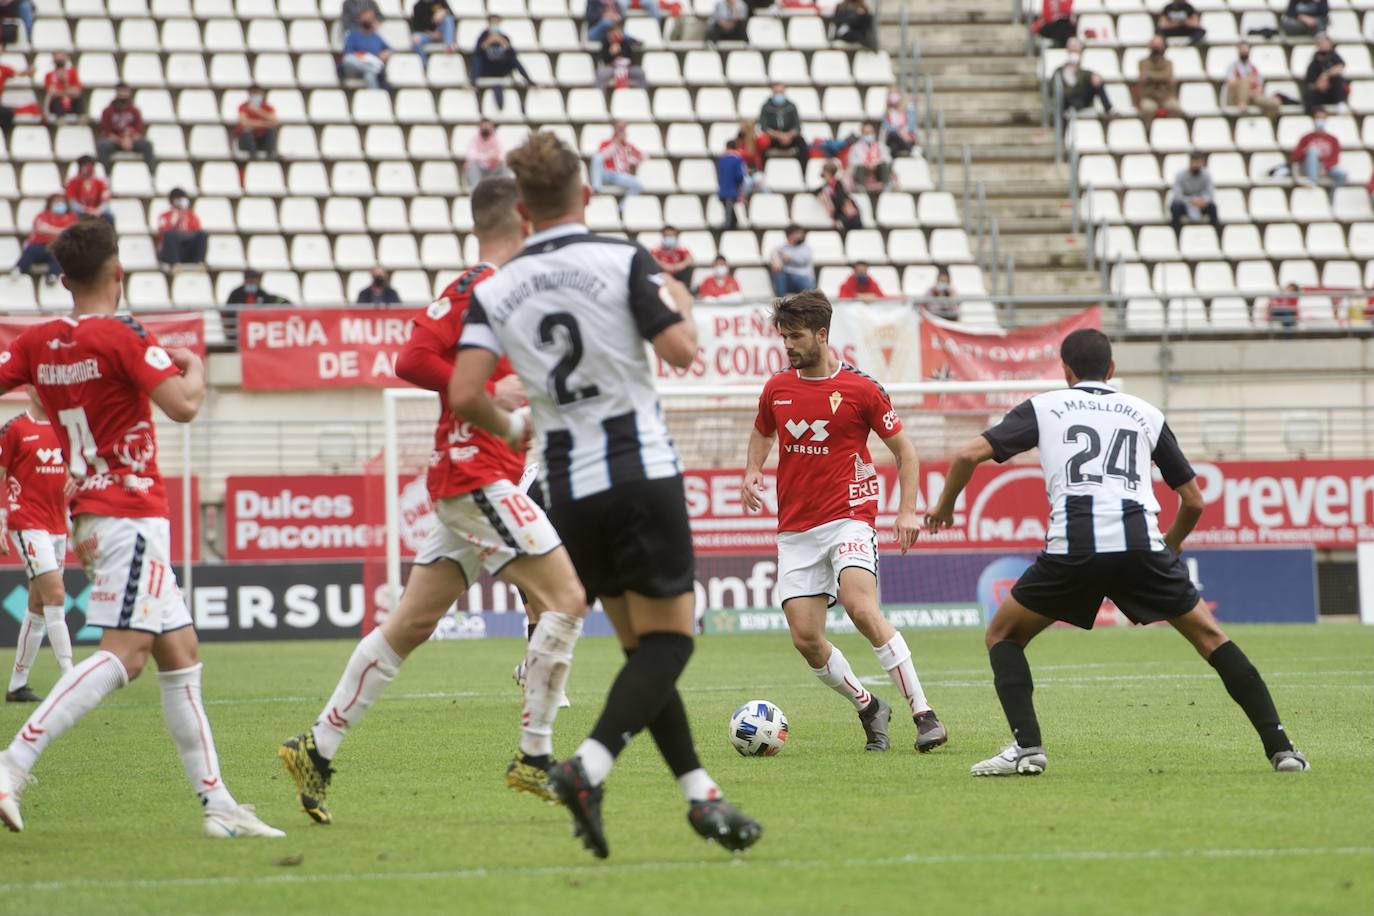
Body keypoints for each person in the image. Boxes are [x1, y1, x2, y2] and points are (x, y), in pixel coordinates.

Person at [449, 132, 762, 860]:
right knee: (672, 642)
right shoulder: (623, 259)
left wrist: (517, 422)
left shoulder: (493, 289)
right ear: (586, 195)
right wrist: (678, 297)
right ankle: (587, 768)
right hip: (637, 473)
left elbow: (465, 392)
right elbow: (682, 351)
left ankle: (700, 796)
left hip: (564, 489)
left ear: (521, 211)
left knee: (637, 649)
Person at [280, 177, 588, 821]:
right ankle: (535, 758)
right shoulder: (480, 283)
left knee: (411, 625)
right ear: (525, 221)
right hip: (476, 476)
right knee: (566, 597)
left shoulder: (509, 291)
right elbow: (412, 358)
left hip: (475, 475)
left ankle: (318, 746)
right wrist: (489, 393)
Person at [0, 219, 285, 838]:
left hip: (95, 514)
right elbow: (183, 404)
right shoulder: (122, 335)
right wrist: (196, 364)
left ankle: (218, 806)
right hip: (128, 512)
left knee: (179, 654)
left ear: (64, 278)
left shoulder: (35, 341)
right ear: (117, 273)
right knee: (125, 655)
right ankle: (11, 763)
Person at [923, 328, 1309, 777]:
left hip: (1073, 550)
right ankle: (1282, 750)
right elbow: (1195, 501)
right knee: (1212, 638)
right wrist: (1169, 548)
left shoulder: (1046, 406)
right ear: (1112, 369)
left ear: (1065, 371)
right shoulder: (1146, 412)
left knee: (1003, 635)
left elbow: (968, 455)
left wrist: (945, 508)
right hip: (1140, 546)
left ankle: (1028, 749)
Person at [742, 292, 945, 754]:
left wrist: (907, 510)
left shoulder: (862, 389)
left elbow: (905, 452)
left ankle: (924, 713)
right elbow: (762, 429)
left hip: (849, 516)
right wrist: (752, 469)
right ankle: (869, 705)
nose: (788, 345)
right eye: (783, 337)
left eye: (795, 337)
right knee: (806, 638)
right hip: (796, 529)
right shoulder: (777, 388)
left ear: (822, 335)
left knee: (860, 607)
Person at [1, 389, 73, 704]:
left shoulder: (67, 429)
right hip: (27, 524)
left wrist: (80, 478)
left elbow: (84, 467)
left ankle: (17, 685)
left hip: (58, 525)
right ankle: (71, 678)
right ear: (30, 389)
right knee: (55, 594)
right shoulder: (14, 428)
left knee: (38, 605)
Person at [471, 14, 533, 108]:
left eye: (496, 22)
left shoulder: (504, 37)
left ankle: (528, 80)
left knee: (513, 60)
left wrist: (504, 43)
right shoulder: (483, 36)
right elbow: (477, 53)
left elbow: (512, 54)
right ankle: (472, 81)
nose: (494, 24)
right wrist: (487, 43)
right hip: (487, 68)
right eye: (492, 22)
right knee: (477, 60)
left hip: (501, 68)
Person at [12, 195, 77, 283]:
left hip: (58, 247)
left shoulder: (71, 217)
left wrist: (50, 229)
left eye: (62, 202)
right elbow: (40, 228)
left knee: (61, 253)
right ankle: (18, 269)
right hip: (41, 246)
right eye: (56, 202)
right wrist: (61, 231)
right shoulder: (43, 215)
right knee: (32, 249)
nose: (60, 204)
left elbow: (72, 231)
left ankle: (52, 276)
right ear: (50, 203)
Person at [97, 83, 156, 173]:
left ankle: (151, 173)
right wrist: (121, 141)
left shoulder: (135, 111)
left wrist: (130, 140)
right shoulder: (107, 111)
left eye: (124, 91)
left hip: (131, 141)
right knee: (103, 146)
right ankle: (105, 173)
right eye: (120, 91)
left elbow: (139, 131)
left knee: (147, 145)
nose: (122, 94)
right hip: (115, 141)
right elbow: (107, 133)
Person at [1291, 109, 1346, 200]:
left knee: (1342, 175)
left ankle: (1332, 200)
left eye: (1323, 118)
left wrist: (1324, 167)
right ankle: (1313, 181)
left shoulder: (1333, 139)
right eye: (1318, 118)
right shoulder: (1306, 138)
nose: (1320, 120)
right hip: (1307, 167)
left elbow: (1335, 158)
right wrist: (1305, 150)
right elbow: (1294, 157)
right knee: (1312, 151)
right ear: (1313, 119)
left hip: (1325, 167)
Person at [1056, 38, 1113, 119]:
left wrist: (1094, 76)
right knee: (1063, 98)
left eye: (1076, 47)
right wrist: (1069, 70)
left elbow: (1089, 77)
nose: (1074, 50)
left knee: (1097, 81)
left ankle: (1109, 109)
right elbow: (1054, 88)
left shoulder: (1085, 70)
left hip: (1082, 99)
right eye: (1072, 47)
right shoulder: (1060, 70)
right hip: (1067, 101)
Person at [591, 120, 644, 203]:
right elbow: (602, 157)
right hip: (607, 174)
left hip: (620, 176)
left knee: (637, 185)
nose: (621, 131)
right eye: (619, 129)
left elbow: (643, 155)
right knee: (597, 157)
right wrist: (616, 142)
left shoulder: (628, 146)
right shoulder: (607, 143)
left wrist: (634, 162)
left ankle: (623, 208)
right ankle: (597, 188)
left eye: (623, 129)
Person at [341, 9, 392, 92]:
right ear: (360, 18)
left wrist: (386, 53)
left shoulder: (376, 37)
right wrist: (363, 59)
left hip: (371, 64)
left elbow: (389, 49)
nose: (368, 19)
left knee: (370, 75)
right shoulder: (353, 35)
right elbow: (348, 54)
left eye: (370, 17)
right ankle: (375, 69)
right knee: (347, 60)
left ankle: (375, 99)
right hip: (356, 66)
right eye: (366, 17)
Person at [1169, 151, 1221, 233]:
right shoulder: (1180, 175)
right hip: (1185, 203)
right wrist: (1191, 200)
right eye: (1195, 162)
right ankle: (1176, 234)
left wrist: (1202, 201)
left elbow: (1210, 194)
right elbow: (1177, 195)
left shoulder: (1206, 175)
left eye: (1199, 163)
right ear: (1190, 162)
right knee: (1175, 207)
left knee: (1213, 207)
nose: (1196, 165)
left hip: (1201, 204)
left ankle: (1215, 234)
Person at [1224, 42, 1280, 118]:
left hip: (1252, 96)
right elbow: (1231, 84)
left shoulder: (1254, 68)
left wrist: (1252, 90)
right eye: (1242, 49)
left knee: (1275, 103)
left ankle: (1268, 124)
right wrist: (1247, 82)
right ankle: (1242, 105)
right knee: (1245, 81)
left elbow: (1259, 87)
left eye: (1246, 49)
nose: (1244, 51)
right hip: (1236, 97)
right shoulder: (1232, 67)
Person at [156, 189, 207, 268]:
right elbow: (162, 235)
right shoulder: (165, 216)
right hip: (170, 252)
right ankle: (176, 264)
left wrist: (184, 217)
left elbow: (197, 230)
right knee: (170, 235)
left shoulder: (191, 216)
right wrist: (176, 219)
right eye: (177, 200)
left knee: (202, 234)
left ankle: (200, 262)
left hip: (187, 250)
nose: (179, 202)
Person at [759, 83, 807, 168]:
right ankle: (762, 171)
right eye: (776, 92)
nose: (779, 95)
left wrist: (788, 135)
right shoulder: (766, 107)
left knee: (802, 143)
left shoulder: (791, 107)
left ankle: (803, 172)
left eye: (781, 92)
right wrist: (779, 135)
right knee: (761, 144)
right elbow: (764, 127)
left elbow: (797, 126)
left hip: (789, 138)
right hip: (773, 139)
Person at [1136, 36, 1180, 125]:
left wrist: (1150, 76)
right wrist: (1163, 77)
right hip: (1149, 97)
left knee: (1176, 109)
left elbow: (1166, 75)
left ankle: (1173, 131)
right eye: (1154, 45)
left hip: (1166, 97)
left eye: (1158, 45)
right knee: (1147, 110)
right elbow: (1145, 76)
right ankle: (1148, 133)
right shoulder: (1143, 62)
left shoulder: (1168, 63)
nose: (1156, 47)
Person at [1302, 35, 1346, 115]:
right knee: (1309, 94)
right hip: (1320, 93)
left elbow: (1340, 67)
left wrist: (1325, 75)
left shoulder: (1334, 57)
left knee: (1337, 79)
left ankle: (1340, 103)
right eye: (1320, 43)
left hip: (1333, 92)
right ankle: (1310, 115)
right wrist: (1318, 85)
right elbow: (1310, 83)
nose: (1323, 45)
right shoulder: (1314, 63)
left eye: (1325, 43)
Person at [586, 0, 663, 45]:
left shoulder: (615, 2)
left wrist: (617, 17)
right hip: (595, 33)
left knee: (611, 25)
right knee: (606, 23)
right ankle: (630, 39)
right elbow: (590, 16)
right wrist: (605, 16)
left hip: (611, 34)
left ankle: (627, 38)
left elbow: (619, 17)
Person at [770, 224, 815, 297]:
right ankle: (780, 301)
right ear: (790, 235)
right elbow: (774, 254)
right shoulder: (782, 247)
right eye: (798, 233)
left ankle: (811, 300)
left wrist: (790, 258)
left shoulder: (806, 248)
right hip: (787, 279)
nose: (802, 235)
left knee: (809, 287)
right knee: (778, 273)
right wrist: (776, 259)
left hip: (802, 277)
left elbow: (802, 260)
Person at [235, 85, 279, 159]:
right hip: (247, 142)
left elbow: (275, 122)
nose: (256, 95)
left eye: (258, 93)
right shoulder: (243, 106)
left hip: (262, 140)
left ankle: (270, 157)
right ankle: (253, 158)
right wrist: (265, 123)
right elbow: (244, 123)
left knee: (271, 131)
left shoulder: (267, 107)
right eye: (253, 93)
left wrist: (258, 111)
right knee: (247, 132)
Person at [65, 158, 113, 225]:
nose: (88, 169)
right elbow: (72, 203)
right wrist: (86, 211)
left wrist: (98, 211)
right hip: (80, 212)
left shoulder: (101, 183)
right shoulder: (72, 183)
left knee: (109, 216)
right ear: (80, 168)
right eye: (86, 166)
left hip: (97, 212)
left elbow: (105, 202)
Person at [717, 138, 751, 231]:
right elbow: (739, 176)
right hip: (732, 190)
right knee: (729, 211)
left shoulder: (722, 160)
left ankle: (732, 223)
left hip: (722, 189)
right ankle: (728, 226)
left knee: (728, 209)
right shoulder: (737, 160)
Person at [465, 119, 508, 189]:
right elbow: (471, 155)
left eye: (487, 127)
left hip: (493, 170)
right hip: (480, 171)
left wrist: (495, 159)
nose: (486, 129)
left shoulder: (496, 139)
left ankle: (505, 190)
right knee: (472, 165)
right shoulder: (474, 139)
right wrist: (488, 158)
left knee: (503, 164)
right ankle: (476, 191)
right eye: (484, 127)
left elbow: (502, 155)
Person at [818, 161, 862, 231]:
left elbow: (843, 199)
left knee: (854, 219)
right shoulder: (825, 188)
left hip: (846, 211)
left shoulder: (839, 184)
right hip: (840, 213)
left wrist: (848, 207)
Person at [409, 0, 456, 66]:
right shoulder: (417, 6)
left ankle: (449, 45)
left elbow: (452, 17)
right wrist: (432, 34)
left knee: (448, 18)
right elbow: (417, 28)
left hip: (441, 32)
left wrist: (444, 12)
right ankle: (425, 66)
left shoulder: (441, 1)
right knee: (415, 39)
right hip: (427, 35)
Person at [849, 122, 891, 191]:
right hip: (863, 172)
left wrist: (876, 162)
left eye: (871, 132)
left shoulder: (881, 146)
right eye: (866, 133)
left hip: (877, 171)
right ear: (862, 134)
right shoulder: (856, 147)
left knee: (884, 165)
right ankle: (861, 188)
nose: (869, 135)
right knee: (859, 167)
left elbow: (888, 159)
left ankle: (885, 186)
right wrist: (866, 163)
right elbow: (852, 161)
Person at [42, 52, 82, 121]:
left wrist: (65, 84)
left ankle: (81, 118)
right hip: (57, 106)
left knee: (78, 99)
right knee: (55, 100)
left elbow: (77, 91)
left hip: (70, 102)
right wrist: (66, 92)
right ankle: (60, 120)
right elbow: (52, 92)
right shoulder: (49, 75)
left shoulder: (72, 73)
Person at [0, 61, 34, 139]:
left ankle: (4, 138)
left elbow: (19, 73)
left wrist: (29, 70)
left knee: (8, 113)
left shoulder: (3, 69)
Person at [882, 89, 919, 158]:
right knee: (893, 134)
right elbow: (887, 128)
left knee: (894, 147)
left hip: (906, 137)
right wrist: (899, 131)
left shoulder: (908, 111)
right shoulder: (887, 113)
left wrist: (904, 132)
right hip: (893, 137)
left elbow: (911, 126)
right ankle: (911, 149)